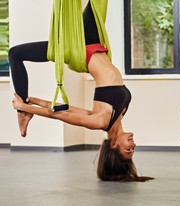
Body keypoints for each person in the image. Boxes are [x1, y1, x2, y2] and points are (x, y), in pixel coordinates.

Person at [9, 1, 152, 182]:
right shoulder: (116, 116)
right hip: (93, 43)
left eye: (128, 149)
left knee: (15, 54)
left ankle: (22, 114)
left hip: (78, 51)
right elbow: (66, 109)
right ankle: (24, 111)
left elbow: (60, 116)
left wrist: (25, 107)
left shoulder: (100, 120)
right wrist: (37, 100)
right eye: (133, 149)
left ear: (114, 145)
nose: (134, 144)